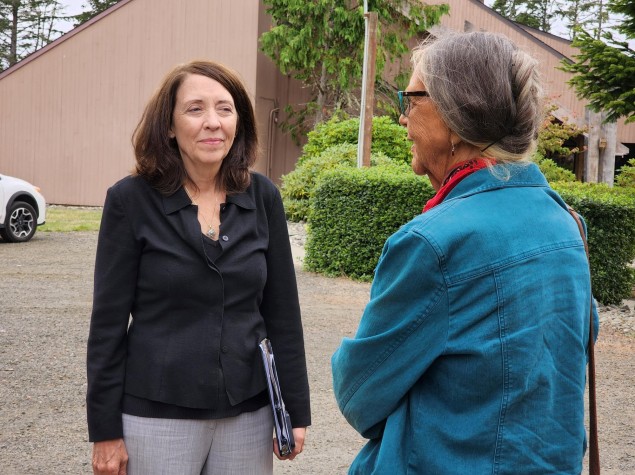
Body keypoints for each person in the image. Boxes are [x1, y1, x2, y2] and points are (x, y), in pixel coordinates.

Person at [332, 31, 599, 474]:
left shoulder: (434, 243)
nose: (402, 118)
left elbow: (359, 392)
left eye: (411, 100)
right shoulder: (566, 222)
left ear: (456, 117)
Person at [86, 60, 310, 475]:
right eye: (195, 109)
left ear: (238, 122)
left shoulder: (263, 197)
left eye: (225, 109)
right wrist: (104, 430)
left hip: (247, 413)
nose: (213, 123)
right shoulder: (129, 201)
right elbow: (107, 326)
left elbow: (282, 314)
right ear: (169, 126)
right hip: (156, 414)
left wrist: (295, 410)